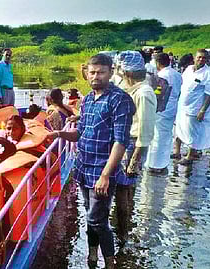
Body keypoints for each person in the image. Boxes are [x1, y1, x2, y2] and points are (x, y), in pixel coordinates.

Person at [52, 54, 135, 269]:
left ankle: (110, 263)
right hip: (83, 167)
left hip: (102, 170)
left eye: (101, 72)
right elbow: (80, 133)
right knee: (91, 217)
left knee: (97, 219)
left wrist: (106, 175)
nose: (96, 76)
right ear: (86, 73)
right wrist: (60, 134)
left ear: (111, 72)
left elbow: (121, 141)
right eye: (92, 72)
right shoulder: (88, 99)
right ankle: (91, 256)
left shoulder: (120, 100)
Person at [116, 51, 157, 245]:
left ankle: (123, 233)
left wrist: (134, 160)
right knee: (126, 188)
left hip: (133, 145)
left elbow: (146, 129)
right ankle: (124, 226)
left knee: (124, 188)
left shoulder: (144, 92)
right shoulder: (130, 86)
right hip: (125, 142)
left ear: (128, 73)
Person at [173, 49, 210, 165]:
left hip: (194, 108)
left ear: (207, 60)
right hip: (182, 105)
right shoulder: (188, 69)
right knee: (179, 129)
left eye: (204, 58)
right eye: (199, 57)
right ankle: (176, 151)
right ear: (195, 58)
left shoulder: (208, 74)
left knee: (192, 132)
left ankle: (190, 155)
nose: (201, 59)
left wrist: (202, 110)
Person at [146, 53, 183, 175]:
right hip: (172, 109)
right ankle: (163, 163)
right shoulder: (177, 74)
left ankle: (154, 164)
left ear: (157, 63)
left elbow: (158, 94)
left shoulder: (161, 76)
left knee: (157, 137)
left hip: (161, 109)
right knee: (166, 136)